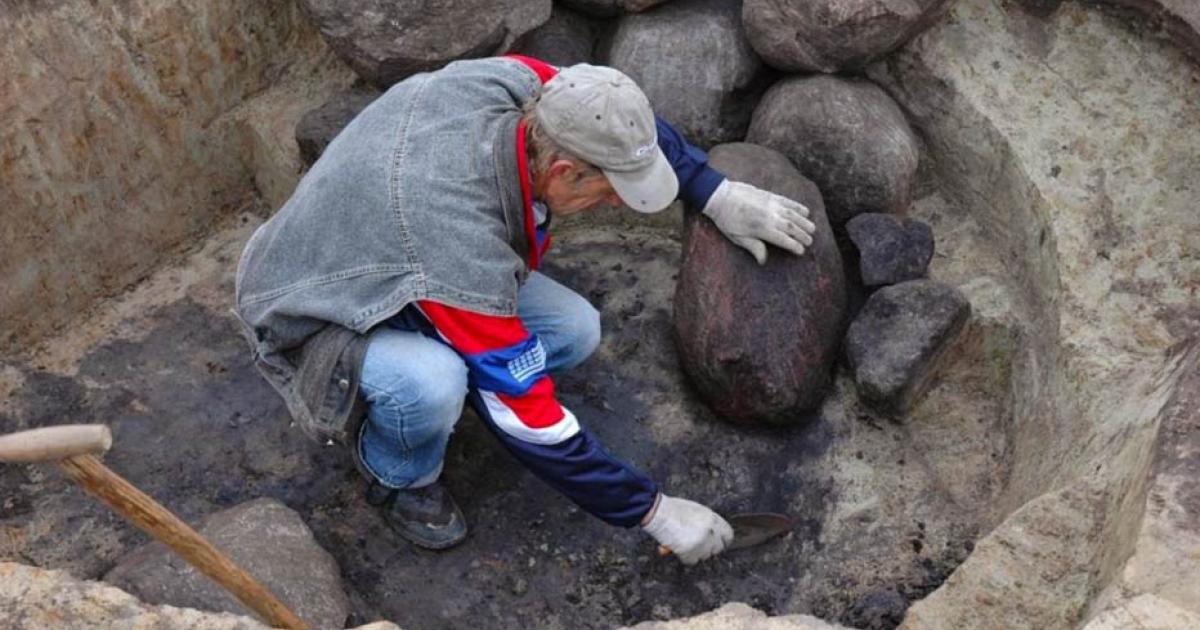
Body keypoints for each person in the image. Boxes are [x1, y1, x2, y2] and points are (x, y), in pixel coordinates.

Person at [234, 55, 816, 564]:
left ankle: (455, 362)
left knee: (574, 329)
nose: (616, 202)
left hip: (384, 255)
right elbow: (529, 416)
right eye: (608, 191)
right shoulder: (453, 231)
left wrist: (716, 192)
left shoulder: (531, 89)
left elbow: (620, 124)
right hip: (316, 306)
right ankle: (397, 473)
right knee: (432, 384)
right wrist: (652, 512)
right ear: (563, 171)